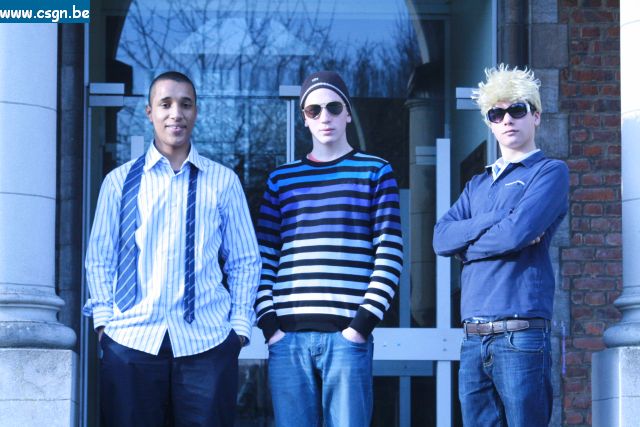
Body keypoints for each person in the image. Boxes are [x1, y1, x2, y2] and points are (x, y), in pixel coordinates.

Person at [83, 71, 261, 427]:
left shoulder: (223, 182)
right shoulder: (118, 182)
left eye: (185, 104)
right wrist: (104, 324)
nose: (175, 113)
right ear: (150, 112)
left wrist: (239, 328)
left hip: (207, 345)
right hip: (130, 340)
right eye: (165, 104)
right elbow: (100, 257)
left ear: (196, 112)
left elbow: (244, 260)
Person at [255, 70, 403, 426]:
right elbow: (262, 259)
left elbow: (389, 254)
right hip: (287, 339)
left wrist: (361, 326)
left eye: (334, 107)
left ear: (348, 113)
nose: (325, 117)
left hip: (348, 337)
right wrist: (270, 327)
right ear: (304, 118)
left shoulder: (375, 171)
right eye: (314, 110)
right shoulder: (281, 180)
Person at [433, 64, 569, 427]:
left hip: (520, 334)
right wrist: (496, 218)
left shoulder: (550, 172)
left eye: (517, 109)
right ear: (490, 123)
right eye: (497, 113)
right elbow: (441, 238)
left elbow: (515, 234)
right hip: (472, 338)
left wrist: (466, 248)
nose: (507, 119)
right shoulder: (477, 184)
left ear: (536, 115)